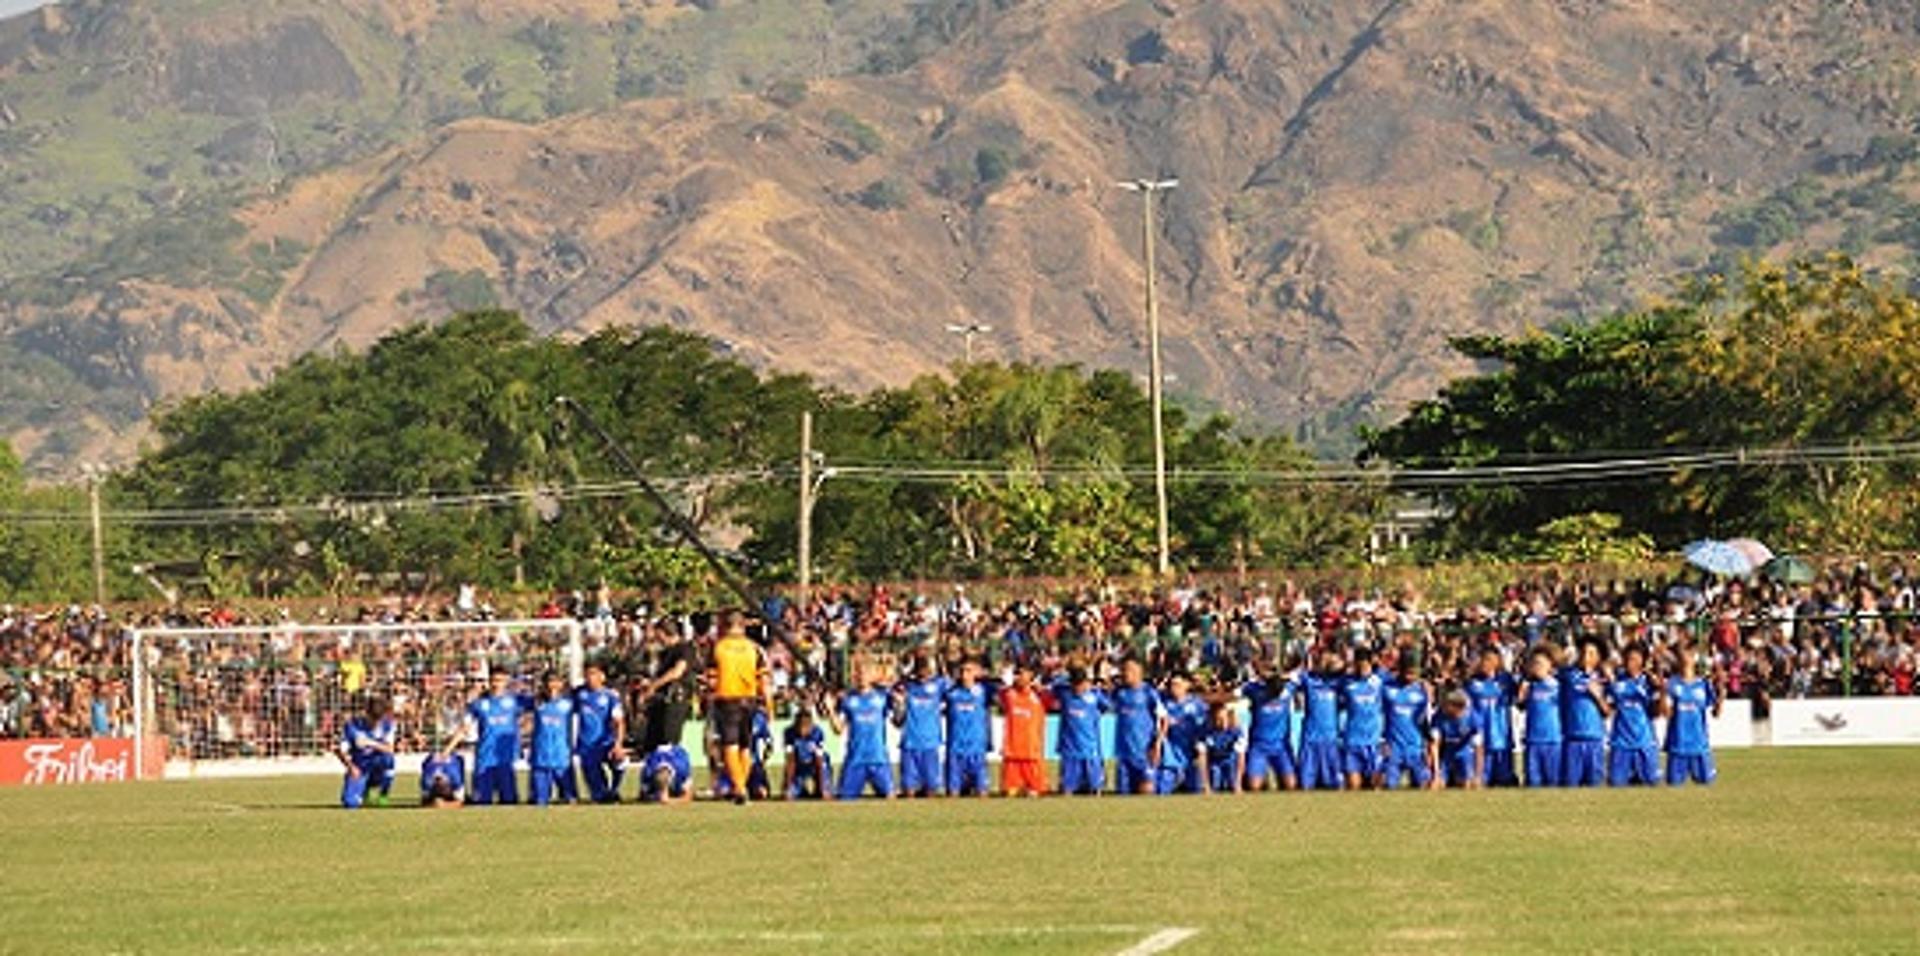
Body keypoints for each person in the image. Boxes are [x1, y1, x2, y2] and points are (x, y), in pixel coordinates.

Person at [708, 612, 774, 806]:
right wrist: (769, 708)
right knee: (745, 745)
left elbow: (711, 679)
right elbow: (764, 680)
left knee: (730, 744)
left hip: (727, 699)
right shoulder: (754, 648)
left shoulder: (718, 647)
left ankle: (739, 788)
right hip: (750, 700)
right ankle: (741, 787)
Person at [463, 671, 530, 805]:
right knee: (481, 802)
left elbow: (540, 707)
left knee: (509, 802)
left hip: (505, 758)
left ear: (506, 682)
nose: (496, 684)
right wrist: (447, 749)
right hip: (484, 756)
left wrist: (524, 729)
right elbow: (465, 726)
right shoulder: (479, 703)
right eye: (494, 680)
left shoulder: (516, 701)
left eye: (500, 680)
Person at [830, 662, 896, 799]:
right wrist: (830, 710)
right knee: (844, 800)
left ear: (872, 675)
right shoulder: (847, 700)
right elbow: (838, 729)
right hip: (855, 759)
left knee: (890, 798)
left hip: (878, 758)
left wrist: (901, 704)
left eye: (865, 672)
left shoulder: (883, 696)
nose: (861, 676)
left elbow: (898, 720)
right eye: (858, 673)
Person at [1663, 648, 1720, 787]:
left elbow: (1716, 713)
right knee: (1674, 792)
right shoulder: (1671, 684)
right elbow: (1667, 713)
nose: (1686, 657)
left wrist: (1722, 695)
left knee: (1706, 789)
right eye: (1683, 653)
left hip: (1699, 745)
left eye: (1689, 653)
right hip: (1678, 746)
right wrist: (1662, 694)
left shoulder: (1703, 684)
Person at [1606, 645, 1660, 787]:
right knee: (1616, 788)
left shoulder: (1649, 682)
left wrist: (1660, 690)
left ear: (1643, 661)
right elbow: (1608, 709)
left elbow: (1656, 713)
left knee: (1651, 787)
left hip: (1645, 743)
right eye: (1628, 659)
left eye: (1635, 659)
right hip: (1620, 744)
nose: (1631, 663)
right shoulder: (1616, 681)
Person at [573, 663, 627, 803]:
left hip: (605, 742)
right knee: (598, 795)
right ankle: (604, 794)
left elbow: (619, 721)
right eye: (587, 674)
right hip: (587, 745)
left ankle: (615, 789)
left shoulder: (610, 696)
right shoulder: (578, 693)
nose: (590, 677)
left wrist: (618, 744)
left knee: (621, 760)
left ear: (602, 676)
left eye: (594, 674)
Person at [895, 659, 948, 798]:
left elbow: (952, 685)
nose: (924, 672)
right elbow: (895, 688)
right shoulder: (907, 686)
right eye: (920, 669)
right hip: (910, 743)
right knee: (909, 792)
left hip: (930, 743)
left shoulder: (939, 684)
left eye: (926, 669)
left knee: (931, 792)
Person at [1466, 648, 1519, 786]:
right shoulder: (1472, 683)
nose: (1485, 663)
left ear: (1497, 661)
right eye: (1483, 659)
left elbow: (1519, 698)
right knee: (1482, 781)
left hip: (1502, 736)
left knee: (1505, 781)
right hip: (1481, 738)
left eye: (1489, 659)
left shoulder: (1506, 680)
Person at [1560, 639, 1609, 788]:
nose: (1586, 657)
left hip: (1594, 739)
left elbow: (1608, 712)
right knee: (1570, 787)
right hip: (1572, 739)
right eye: (1583, 652)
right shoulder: (1567, 675)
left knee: (1594, 786)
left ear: (1598, 657)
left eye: (1591, 653)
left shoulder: (1604, 679)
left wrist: (1598, 696)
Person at [1241, 662, 1297, 792]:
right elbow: (1235, 693)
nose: (1275, 696)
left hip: (1281, 746)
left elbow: (1300, 674)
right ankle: (1259, 777)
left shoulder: (1289, 688)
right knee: (1254, 786)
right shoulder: (1253, 689)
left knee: (1291, 785)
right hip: (1259, 746)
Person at [1053, 667, 1109, 796]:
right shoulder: (1064, 693)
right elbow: (1053, 685)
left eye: (1081, 683)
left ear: (1086, 682)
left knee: (1095, 790)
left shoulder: (1095, 696)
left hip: (1090, 749)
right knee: (1067, 791)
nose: (1078, 687)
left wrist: (1096, 714)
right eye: (1075, 683)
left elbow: (1107, 706)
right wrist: (1063, 676)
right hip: (1069, 751)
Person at [1109, 657, 1161, 795]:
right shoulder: (1118, 693)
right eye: (1124, 670)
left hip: (1144, 752)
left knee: (1147, 791)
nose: (1126, 673)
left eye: (1130, 670)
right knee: (1123, 794)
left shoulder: (1149, 693)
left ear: (1140, 672)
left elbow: (1163, 718)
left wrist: (1157, 743)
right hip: (1123, 753)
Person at [1295, 652, 1346, 791]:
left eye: (1328, 661)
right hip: (1310, 740)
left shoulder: (1338, 683)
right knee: (1304, 786)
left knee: (1335, 786)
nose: (1325, 663)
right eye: (1321, 660)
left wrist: (1339, 663)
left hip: (1331, 740)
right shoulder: (1308, 680)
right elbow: (1291, 678)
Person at [1382, 659, 1433, 790]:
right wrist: (1382, 741)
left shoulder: (1422, 691)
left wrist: (1427, 747)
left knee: (1423, 786)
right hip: (1393, 748)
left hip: (1415, 747)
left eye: (1414, 673)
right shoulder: (1386, 687)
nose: (1410, 677)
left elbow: (1425, 721)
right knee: (1388, 786)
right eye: (1408, 672)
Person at [943, 659, 992, 798]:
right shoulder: (951, 693)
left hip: (976, 748)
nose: (965, 675)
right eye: (962, 671)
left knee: (982, 793)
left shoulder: (984, 691)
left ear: (976, 672)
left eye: (969, 671)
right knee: (953, 794)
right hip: (955, 748)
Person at [1339, 649, 1387, 790]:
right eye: (1359, 666)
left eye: (1365, 666)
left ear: (1371, 663)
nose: (1362, 670)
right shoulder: (1346, 682)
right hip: (1352, 740)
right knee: (1354, 786)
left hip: (1374, 741)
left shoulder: (1381, 680)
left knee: (1376, 786)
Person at [337, 697, 396, 810]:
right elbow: (339, 750)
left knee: (388, 759)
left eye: (378, 719)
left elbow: (390, 749)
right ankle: (363, 790)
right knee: (350, 804)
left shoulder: (388, 725)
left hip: (377, 763)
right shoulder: (352, 726)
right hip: (360, 766)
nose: (375, 722)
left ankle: (383, 794)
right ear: (366, 713)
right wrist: (351, 767)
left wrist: (370, 743)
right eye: (372, 718)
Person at [529, 672, 579, 807]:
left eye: (556, 681)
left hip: (562, 756)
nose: (553, 685)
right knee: (539, 802)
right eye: (549, 682)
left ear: (562, 684)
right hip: (540, 756)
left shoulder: (569, 703)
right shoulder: (536, 702)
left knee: (570, 800)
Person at [999, 664, 1048, 798]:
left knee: (1035, 793)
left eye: (1022, 673)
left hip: (1032, 752)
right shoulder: (1008, 694)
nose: (1019, 677)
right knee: (1010, 794)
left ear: (1031, 675)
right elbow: (998, 690)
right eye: (1017, 674)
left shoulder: (1040, 695)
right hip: (1012, 753)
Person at [1518, 646, 1564, 788]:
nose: (1536, 667)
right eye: (1534, 664)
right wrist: (1522, 693)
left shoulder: (1558, 686)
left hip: (1553, 740)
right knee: (1533, 782)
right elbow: (1520, 705)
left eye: (1540, 664)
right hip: (1533, 740)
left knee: (1553, 782)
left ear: (1550, 666)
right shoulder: (1530, 686)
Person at [1156, 672, 1206, 795]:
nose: (1174, 688)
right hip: (1171, 754)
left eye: (1177, 684)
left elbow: (1204, 726)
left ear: (1187, 685)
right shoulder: (1164, 703)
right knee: (1161, 790)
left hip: (1190, 753)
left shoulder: (1197, 704)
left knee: (1196, 789)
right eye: (1172, 685)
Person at [1432, 690, 1482, 789]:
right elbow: (1434, 745)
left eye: (1447, 705)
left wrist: (1478, 776)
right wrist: (1436, 774)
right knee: (1436, 786)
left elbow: (1479, 749)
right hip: (1447, 753)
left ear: (1456, 707)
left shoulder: (1473, 718)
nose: (1444, 708)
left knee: (1468, 786)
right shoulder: (1439, 716)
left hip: (1465, 753)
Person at [782, 709, 831, 800]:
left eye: (806, 726)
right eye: (800, 726)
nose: (803, 730)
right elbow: (790, 761)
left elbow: (819, 761)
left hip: (815, 764)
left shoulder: (818, 733)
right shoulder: (789, 733)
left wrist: (822, 788)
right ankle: (801, 789)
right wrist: (787, 788)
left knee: (824, 765)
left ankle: (821, 788)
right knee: (792, 795)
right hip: (798, 765)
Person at [1197, 701, 1244, 795]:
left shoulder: (1236, 732)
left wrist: (1238, 784)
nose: (1222, 723)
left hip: (1231, 761)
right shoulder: (1204, 731)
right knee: (1215, 783)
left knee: (1232, 784)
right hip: (1214, 762)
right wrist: (1206, 785)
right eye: (1218, 719)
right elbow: (1202, 758)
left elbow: (1240, 758)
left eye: (1224, 719)